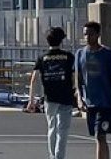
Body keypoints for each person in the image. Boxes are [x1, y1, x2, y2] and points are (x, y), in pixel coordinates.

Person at [75, 21, 111, 159]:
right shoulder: (80, 54)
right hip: (90, 103)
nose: (88, 37)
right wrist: (79, 98)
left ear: (98, 34)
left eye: (91, 34)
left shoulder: (107, 54)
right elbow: (78, 78)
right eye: (85, 34)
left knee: (100, 135)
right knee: (98, 138)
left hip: (105, 103)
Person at [26, 27, 75, 159]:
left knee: (52, 128)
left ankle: (52, 156)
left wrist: (31, 100)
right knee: (63, 131)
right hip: (66, 97)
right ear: (62, 40)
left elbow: (34, 79)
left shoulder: (42, 58)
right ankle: (59, 157)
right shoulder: (69, 57)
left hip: (50, 98)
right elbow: (74, 77)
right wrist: (76, 92)